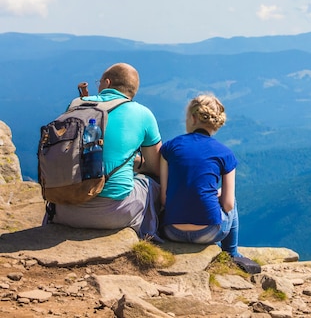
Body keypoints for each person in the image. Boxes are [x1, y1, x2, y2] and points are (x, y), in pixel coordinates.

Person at [47, 63, 163, 240]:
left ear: (107, 82)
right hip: (113, 214)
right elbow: (156, 167)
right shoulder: (142, 114)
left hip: (63, 209)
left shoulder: (75, 105)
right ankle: (152, 237)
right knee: (153, 183)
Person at [159, 93, 242, 257]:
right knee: (231, 200)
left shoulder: (169, 148)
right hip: (209, 231)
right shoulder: (226, 153)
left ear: (193, 118)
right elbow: (228, 205)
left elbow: (164, 199)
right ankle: (232, 254)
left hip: (171, 230)